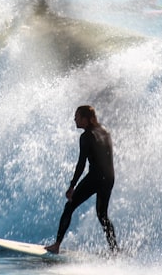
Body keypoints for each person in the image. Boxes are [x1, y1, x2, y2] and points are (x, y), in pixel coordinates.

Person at [45, 105, 118, 254]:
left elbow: (81, 163)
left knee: (69, 206)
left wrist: (72, 186)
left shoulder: (86, 136)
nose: (74, 119)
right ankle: (115, 250)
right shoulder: (105, 131)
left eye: (77, 117)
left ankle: (56, 245)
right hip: (109, 177)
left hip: (96, 177)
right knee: (102, 215)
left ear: (85, 119)